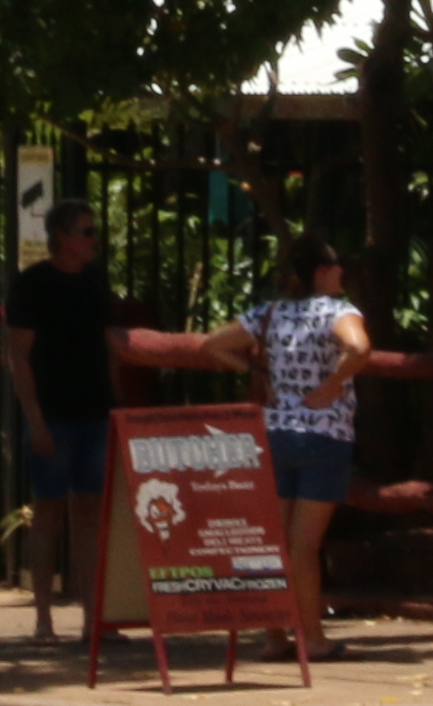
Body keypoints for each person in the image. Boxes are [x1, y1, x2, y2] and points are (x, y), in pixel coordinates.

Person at [138, 237, 371, 661]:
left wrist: (254, 369)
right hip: (325, 434)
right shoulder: (338, 311)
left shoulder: (270, 313)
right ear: (320, 271)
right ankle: (313, 637)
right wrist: (332, 385)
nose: (341, 272)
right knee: (304, 546)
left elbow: (211, 343)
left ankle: (274, 634)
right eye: (336, 265)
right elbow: (358, 348)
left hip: (275, 434)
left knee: (274, 541)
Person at [0, 202, 145, 643]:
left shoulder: (95, 283)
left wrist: (117, 402)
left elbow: (107, 345)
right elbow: (19, 357)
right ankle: (42, 619)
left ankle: (93, 617)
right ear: (61, 235)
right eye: (85, 231)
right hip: (54, 414)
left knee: (89, 511)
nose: (93, 238)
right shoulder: (33, 284)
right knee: (48, 510)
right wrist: (35, 419)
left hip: (95, 412)